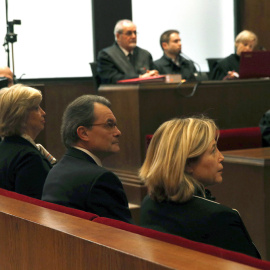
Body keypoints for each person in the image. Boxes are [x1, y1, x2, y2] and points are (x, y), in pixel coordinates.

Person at [139, 116, 260, 258]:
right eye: (213, 150)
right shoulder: (220, 218)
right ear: (188, 163)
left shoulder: (149, 203)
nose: (221, 157)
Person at [42, 95, 132, 223]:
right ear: (83, 133)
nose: (118, 132)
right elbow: (126, 236)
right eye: (109, 125)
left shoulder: (56, 170)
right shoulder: (101, 179)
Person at [0, 84, 55, 199]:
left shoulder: (4, 148)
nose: (43, 112)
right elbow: (32, 210)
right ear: (20, 114)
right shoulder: (29, 157)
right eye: (36, 108)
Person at [97, 19, 159, 84]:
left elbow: (152, 73)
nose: (133, 36)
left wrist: (153, 74)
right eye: (129, 33)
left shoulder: (145, 54)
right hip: (120, 92)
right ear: (118, 36)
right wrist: (140, 77)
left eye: (135, 33)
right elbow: (112, 78)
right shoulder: (107, 55)